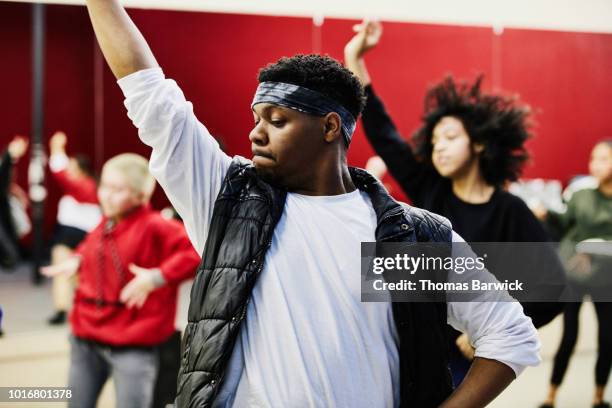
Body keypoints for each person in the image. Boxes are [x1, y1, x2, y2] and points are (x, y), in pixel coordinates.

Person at [85, 1, 541, 406]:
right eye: (256, 118)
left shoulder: (401, 237)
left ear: (328, 128)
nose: (254, 133)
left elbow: (509, 335)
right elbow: (150, 95)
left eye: (277, 120)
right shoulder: (230, 203)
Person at [344, 20, 566, 385]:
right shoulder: (429, 189)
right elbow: (383, 131)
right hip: (410, 345)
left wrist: (487, 329)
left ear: (478, 143)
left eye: (449, 137)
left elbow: (554, 288)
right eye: (434, 142)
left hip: (463, 359)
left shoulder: (509, 211)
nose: (439, 147)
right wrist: (355, 56)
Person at [42, 153, 200, 407]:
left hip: (132, 344)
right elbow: (92, 246)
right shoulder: (106, 222)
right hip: (86, 339)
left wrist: (157, 277)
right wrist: (78, 260)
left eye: (117, 190)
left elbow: (196, 251)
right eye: (104, 186)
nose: (106, 195)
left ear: (140, 195)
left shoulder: (155, 225)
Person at [536, 141, 612, 408]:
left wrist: (594, 249)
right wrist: (546, 215)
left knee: (607, 338)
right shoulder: (580, 193)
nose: (595, 164)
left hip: (607, 279)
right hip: (575, 275)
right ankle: (550, 396)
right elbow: (565, 223)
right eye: (593, 158)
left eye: (604, 158)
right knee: (569, 336)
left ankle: (599, 397)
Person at [47, 131, 101, 325]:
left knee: (63, 271)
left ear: (81, 170)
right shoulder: (94, 187)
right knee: (80, 273)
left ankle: (63, 309)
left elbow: (59, 171)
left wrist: (56, 147)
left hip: (71, 234)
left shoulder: (81, 186)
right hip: (89, 236)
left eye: (72, 167)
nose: (69, 170)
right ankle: (86, 307)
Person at [0, 136, 29, 269]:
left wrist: (18, 193)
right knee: (11, 256)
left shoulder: (8, 164)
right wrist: (10, 153)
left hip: (4, 209)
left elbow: (6, 183)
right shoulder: (6, 162)